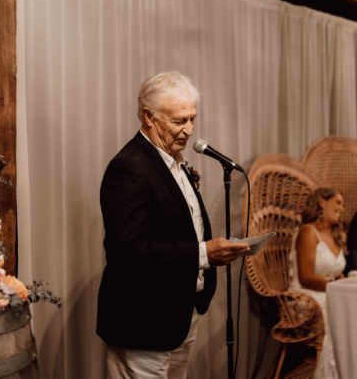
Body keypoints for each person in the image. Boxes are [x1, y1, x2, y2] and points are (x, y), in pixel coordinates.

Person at [97, 71, 250, 379]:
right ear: (148, 116)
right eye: (178, 121)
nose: (188, 131)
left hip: (180, 313)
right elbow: (128, 250)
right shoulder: (129, 167)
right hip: (143, 320)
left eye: (192, 119)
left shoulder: (173, 159)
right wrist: (204, 254)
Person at [289, 187, 346, 379]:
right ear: (322, 202)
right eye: (338, 203)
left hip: (328, 291)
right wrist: (337, 288)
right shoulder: (308, 232)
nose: (342, 209)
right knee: (338, 309)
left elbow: (337, 274)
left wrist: (347, 287)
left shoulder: (336, 235)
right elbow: (305, 277)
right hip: (304, 296)